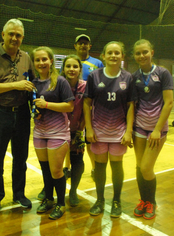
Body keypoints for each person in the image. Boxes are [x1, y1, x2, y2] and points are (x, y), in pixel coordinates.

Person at [0, 18, 35, 216]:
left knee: (21, 159)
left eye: (18, 35)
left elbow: (30, 85)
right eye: (11, 34)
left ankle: (19, 194)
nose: (14, 38)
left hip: (21, 114)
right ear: (3, 35)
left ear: (22, 38)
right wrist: (15, 85)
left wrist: (35, 108)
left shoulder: (26, 58)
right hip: (0, 114)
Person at [84, 41, 135, 218]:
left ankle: (116, 200)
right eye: (110, 53)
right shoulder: (94, 76)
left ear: (122, 56)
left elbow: (130, 106)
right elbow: (86, 103)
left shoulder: (128, 78)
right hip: (98, 131)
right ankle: (99, 200)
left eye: (117, 53)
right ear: (103, 56)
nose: (114, 56)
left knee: (116, 166)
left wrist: (128, 132)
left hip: (118, 131)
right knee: (99, 167)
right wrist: (88, 129)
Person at [30, 46, 74, 220]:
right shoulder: (33, 83)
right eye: (38, 60)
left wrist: (46, 105)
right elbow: (32, 106)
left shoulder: (60, 81)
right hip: (40, 132)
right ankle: (48, 199)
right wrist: (36, 111)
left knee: (56, 171)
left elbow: (69, 106)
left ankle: (61, 204)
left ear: (50, 61)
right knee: (45, 170)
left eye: (44, 59)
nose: (41, 63)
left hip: (58, 132)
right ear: (34, 63)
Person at [132, 39, 174, 220]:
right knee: (139, 166)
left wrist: (157, 129)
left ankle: (152, 202)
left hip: (157, 129)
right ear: (134, 56)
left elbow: (169, 102)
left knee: (147, 168)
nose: (142, 56)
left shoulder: (163, 73)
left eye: (144, 52)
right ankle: (143, 200)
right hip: (139, 127)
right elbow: (132, 104)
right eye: (138, 53)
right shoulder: (134, 76)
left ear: (152, 52)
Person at [74, 34, 104, 181]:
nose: (83, 46)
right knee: (72, 137)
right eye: (80, 43)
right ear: (75, 46)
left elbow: (103, 82)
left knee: (90, 139)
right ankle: (68, 167)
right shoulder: (72, 61)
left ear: (89, 46)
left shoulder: (97, 63)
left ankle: (94, 168)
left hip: (91, 106)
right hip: (74, 106)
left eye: (85, 43)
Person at [61, 55, 86, 206]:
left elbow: (87, 109)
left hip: (76, 130)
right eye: (68, 66)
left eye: (75, 66)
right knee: (55, 162)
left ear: (80, 69)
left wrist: (80, 130)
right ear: (63, 69)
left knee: (78, 161)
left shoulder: (85, 86)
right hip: (58, 131)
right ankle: (48, 188)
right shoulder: (57, 84)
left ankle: (73, 191)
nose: (71, 69)